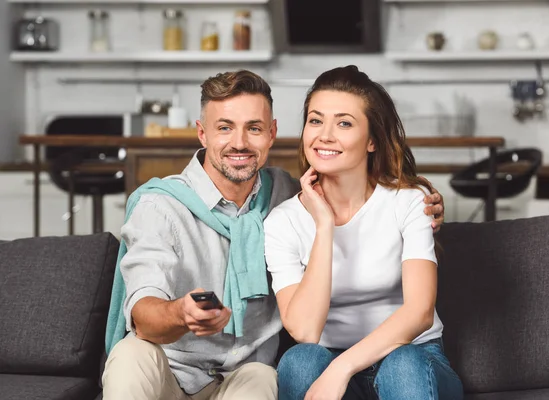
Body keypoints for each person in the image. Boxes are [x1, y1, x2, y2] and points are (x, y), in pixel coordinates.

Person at [101, 69, 447, 400]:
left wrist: (421, 207)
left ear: (272, 133)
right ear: (202, 133)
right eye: (224, 127)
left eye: (253, 128)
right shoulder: (164, 206)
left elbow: (360, 196)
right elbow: (144, 313)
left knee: (395, 365)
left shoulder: (281, 192)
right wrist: (180, 313)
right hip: (172, 369)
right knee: (134, 356)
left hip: (249, 372)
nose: (239, 143)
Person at [264, 65, 464, 400]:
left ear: (372, 140)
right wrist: (324, 226)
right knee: (300, 361)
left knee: (403, 365)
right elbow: (306, 330)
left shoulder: (408, 202)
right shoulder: (282, 222)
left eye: (344, 122)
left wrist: (342, 369)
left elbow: (419, 313)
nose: (324, 135)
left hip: (412, 360)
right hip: (328, 356)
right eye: (316, 120)